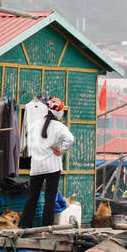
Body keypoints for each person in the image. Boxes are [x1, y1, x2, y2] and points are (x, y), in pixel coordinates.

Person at [18, 97, 75, 229]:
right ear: (59, 112)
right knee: (50, 198)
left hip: (36, 166)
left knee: (32, 196)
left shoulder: (36, 124)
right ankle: (47, 227)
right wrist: (61, 150)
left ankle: (25, 226)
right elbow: (70, 139)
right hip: (52, 166)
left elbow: (30, 142)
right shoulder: (59, 127)